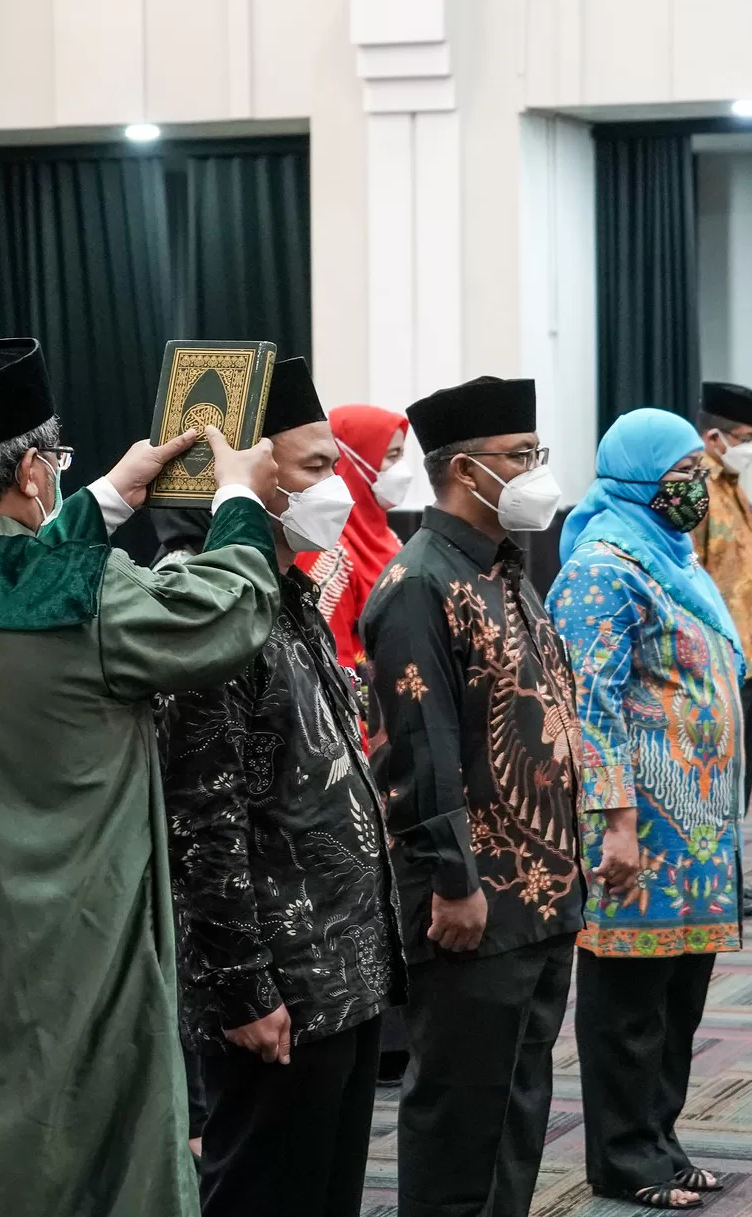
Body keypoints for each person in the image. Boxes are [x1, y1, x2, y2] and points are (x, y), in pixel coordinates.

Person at [0, 338, 281, 1217]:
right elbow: (227, 612)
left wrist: (107, 495)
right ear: (33, 471)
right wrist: (236, 497)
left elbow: (2, 581)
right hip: (66, 936)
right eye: (56, 464)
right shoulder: (92, 598)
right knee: (81, 1139)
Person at [156, 359, 403, 1217]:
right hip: (280, 986)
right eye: (314, 467)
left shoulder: (290, 590)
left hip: (342, 973)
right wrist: (243, 988)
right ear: (243, 477)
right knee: (265, 1193)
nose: (336, 488)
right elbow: (201, 821)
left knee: (327, 1192)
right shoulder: (205, 611)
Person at [362, 376, 586, 1217]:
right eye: (519, 456)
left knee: (518, 1106)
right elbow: (419, 748)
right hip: (473, 903)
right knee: (461, 1112)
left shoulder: (504, 569)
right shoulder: (418, 583)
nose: (536, 471)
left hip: (542, 894)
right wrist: (454, 880)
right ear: (463, 468)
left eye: (536, 452)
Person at [548, 408, 745, 1211]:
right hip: (637, 825)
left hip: (695, 825)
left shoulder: (671, 557)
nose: (697, 486)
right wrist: (615, 821)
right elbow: (587, 705)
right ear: (634, 477)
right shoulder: (601, 567)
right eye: (681, 474)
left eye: (699, 471)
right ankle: (624, 1157)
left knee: (677, 996)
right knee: (628, 1000)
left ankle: (660, 1137)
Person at [694, 381, 752, 911]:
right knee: (717, 779)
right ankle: (718, 881)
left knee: (740, 778)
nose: (751, 447)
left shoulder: (732, 486)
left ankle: (735, 876)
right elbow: (692, 577)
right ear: (714, 437)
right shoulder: (697, 490)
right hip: (718, 660)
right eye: (745, 438)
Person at [298, 402, 411, 673]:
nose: (401, 469)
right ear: (354, 461)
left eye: (401, 455)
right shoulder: (329, 552)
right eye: (391, 456)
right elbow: (331, 661)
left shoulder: (388, 537)